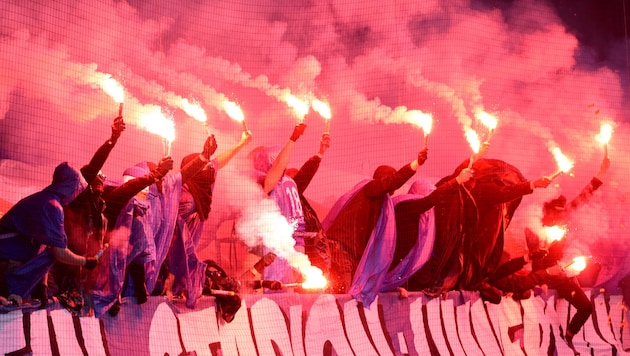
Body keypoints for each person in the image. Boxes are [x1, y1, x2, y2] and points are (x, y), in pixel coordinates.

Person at [93, 136, 215, 317]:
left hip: (148, 267)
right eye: (154, 177)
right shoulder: (120, 199)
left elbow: (181, 177)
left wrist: (203, 157)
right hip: (108, 275)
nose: (159, 180)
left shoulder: (161, 193)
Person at [405, 156, 552, 296]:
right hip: (455, 249)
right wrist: (532, 185)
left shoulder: (468, 186)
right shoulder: (483, 188)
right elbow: (502, 193)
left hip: (460, 249)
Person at [322, 147, 428, 306]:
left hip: (347, 250)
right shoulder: (371, 188)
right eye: (391, 182)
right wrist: (416, 164)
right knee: (344, 297)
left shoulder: (377, 201)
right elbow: (393, 180)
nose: (393, 190)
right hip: (341, 249)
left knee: (346, 293)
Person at [525, 156, 610, 354]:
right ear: (548, 210)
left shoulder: (564, 216)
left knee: (586, 307)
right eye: (556, 211)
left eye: (562, 211)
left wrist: (601, 173)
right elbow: (534, 256)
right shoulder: (534, 224)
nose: (561, 215)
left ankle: (568, 337)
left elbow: (585, 195)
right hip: (542, 276)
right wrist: (542, 279)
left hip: (561, 276)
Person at [161, 131, 252, 308]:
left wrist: (241, 143)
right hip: (170, 252)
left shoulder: (203, 185)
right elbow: (172, 238)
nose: (210, 168)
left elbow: (219, 162)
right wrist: (170, 275)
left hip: (186, 252)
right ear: (193, 170)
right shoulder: (183, 195)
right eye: (203, 166)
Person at [48, 116, 125, 315]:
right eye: (95, 184)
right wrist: (112, 140)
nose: (100, 192)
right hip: (61, 272)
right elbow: (92, 168)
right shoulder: (77, 200)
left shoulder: (100, 211)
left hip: (81, 280)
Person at [0, 162, 98, 306]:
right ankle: (9, 293)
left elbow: (47, 247)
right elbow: (58, 252)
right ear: (70, 187)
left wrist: (42, 286)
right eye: (77, 190)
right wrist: (86, 262)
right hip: (8, 261)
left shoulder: (43, 199)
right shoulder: (52, 206)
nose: (76, 195)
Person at [380, 167, 473, 293]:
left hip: (396, 274)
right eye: (428, 192)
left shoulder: (420, 217)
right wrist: (457, 180)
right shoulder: (405, 207)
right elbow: (431, 200)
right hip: (387, 270)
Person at [251, 123, 307, 291]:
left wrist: (292, 138)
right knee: (290, 289)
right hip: (298, 240)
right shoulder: (290, 181)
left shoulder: (273, 182)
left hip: (279, 244)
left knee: (276, 290)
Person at [284, 133, 332, 287]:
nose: (294, 183)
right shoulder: (285, 197)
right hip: (303, 259)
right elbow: (304, 176)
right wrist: (319, 153)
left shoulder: (301, 200)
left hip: (316, 258)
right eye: (292, 179)